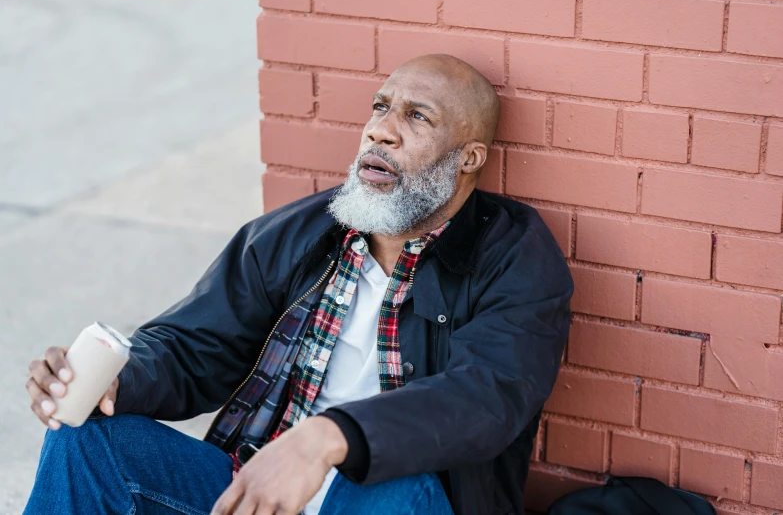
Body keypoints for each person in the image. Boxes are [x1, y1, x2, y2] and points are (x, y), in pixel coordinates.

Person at [23, 54, 573, 515]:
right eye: (380, 107)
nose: (381, 129)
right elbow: (195, 346)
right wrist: (119, 378)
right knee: (83, 436)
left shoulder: (513, 256)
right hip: (259, 487)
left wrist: (329, 437)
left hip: (392, 499)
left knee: (390, 486)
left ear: (468, 158)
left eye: (417, 117)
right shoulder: (297, 234)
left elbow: (485, 397)